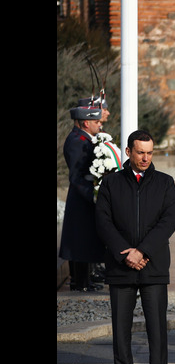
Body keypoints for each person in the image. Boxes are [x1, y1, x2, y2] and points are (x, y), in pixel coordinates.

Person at [95, 130, 175, 364]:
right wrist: (126, 254)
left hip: (153, 266)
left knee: (157, 330)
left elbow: (168, 222)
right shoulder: (110, 183)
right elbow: (104, 222)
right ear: (129, 151)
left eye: (150, 152)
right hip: (121, 269)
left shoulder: (165, 183)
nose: (145, 158)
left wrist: (142, 251)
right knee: (121, 331)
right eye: (140, 152)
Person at [61, 102, 108, 292]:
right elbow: (76, 175)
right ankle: (80, 283)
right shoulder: (77, 140)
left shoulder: (84, 138)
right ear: (86, 123)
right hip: (81, 199)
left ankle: (85, 280)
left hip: (85, 197)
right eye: (97, 122)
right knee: (79, 241)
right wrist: (92, 196)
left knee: (85, 239)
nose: (100, 125)